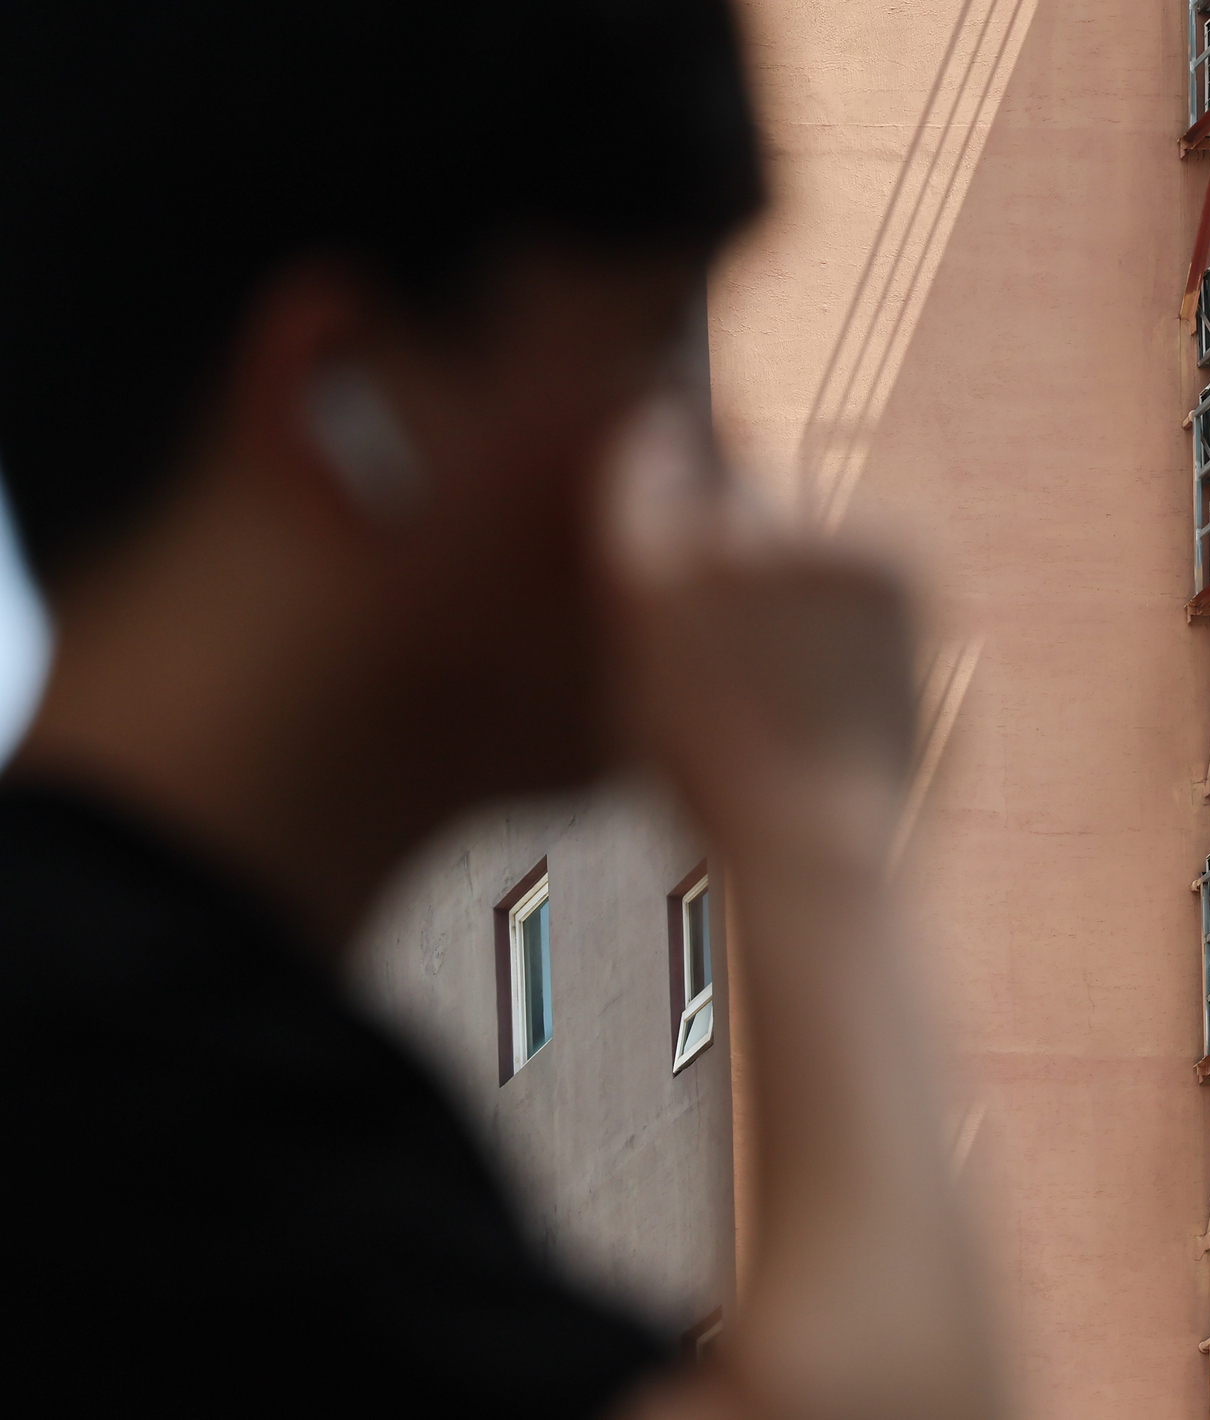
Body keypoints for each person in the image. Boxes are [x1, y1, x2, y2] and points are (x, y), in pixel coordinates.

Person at [0, 4, 1002, 1418]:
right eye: (654, 348)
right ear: (343, 396)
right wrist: (817, 839)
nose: (718, 472)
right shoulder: (127, 1109)